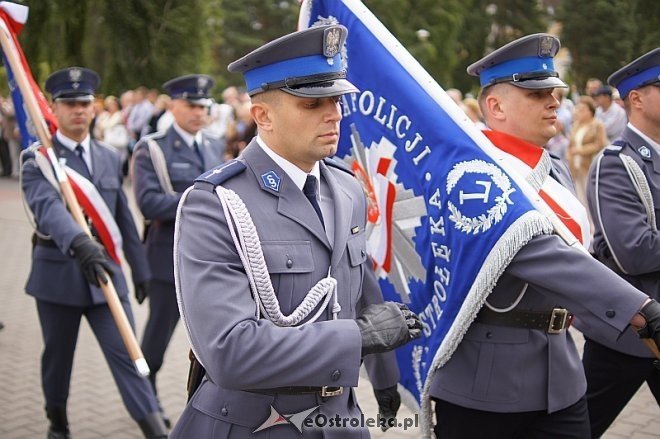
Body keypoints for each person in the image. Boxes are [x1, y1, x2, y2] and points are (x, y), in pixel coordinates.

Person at [170, 25, 422, 438]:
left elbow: (360, 294)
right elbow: (229, 351)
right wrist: (357, 339)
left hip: (340, 418)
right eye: (312, 103)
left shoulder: (345, 187)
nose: (335, 113)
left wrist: (384, 377)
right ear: (263, 115)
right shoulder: (216, 204)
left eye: (337, 100)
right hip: (257, 421)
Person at [429, 34, 660, 438]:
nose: (553, 100)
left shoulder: (553, 168)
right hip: (485, 382)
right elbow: (538, 250)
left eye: (554, 91)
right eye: (536, 94)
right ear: (495, 106)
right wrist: (639, 308)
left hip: (561, 372)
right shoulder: (473, 175)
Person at [19, 67, 167, 439]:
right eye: (69, 104)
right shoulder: (37, 160)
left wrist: (140, 269)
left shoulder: (109, 156)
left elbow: (123, 220)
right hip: (58, 276)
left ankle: (154, 429)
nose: (78, 110)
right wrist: (79, 241)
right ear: (54, 108)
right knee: (58, 360)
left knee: (130, 357)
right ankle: (58, 422)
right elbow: (47, 208)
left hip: (106, 276)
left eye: (84, 103)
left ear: (93, 107)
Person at [131, 73, 226, 421]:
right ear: (173, 105)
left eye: (203, 106)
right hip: (166, 258)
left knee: (214, 337)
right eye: (191, 104)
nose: (198, 112)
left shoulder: (215, 144)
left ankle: (208, 403)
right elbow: (148, 203)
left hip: (211, 258)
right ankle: (145, 398)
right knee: (156, 337)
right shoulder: (152, 147)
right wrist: (199, 201)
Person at [582, 47, 660, 438]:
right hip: (630, 333)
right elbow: (635, 250)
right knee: (578, 428)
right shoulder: (617, 162)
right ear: (637, 98)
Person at [566, 96, 608, 207]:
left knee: (592, 197)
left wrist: (580, 150)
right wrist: (569, 155)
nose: (579, 112)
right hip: (576, 167)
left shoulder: (598, 125)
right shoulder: (576, 125)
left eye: (583, 109)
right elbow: (570, 144)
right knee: (580, 197)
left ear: (590, 111)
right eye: (578, 109)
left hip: (590, 166)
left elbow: (600, 144)